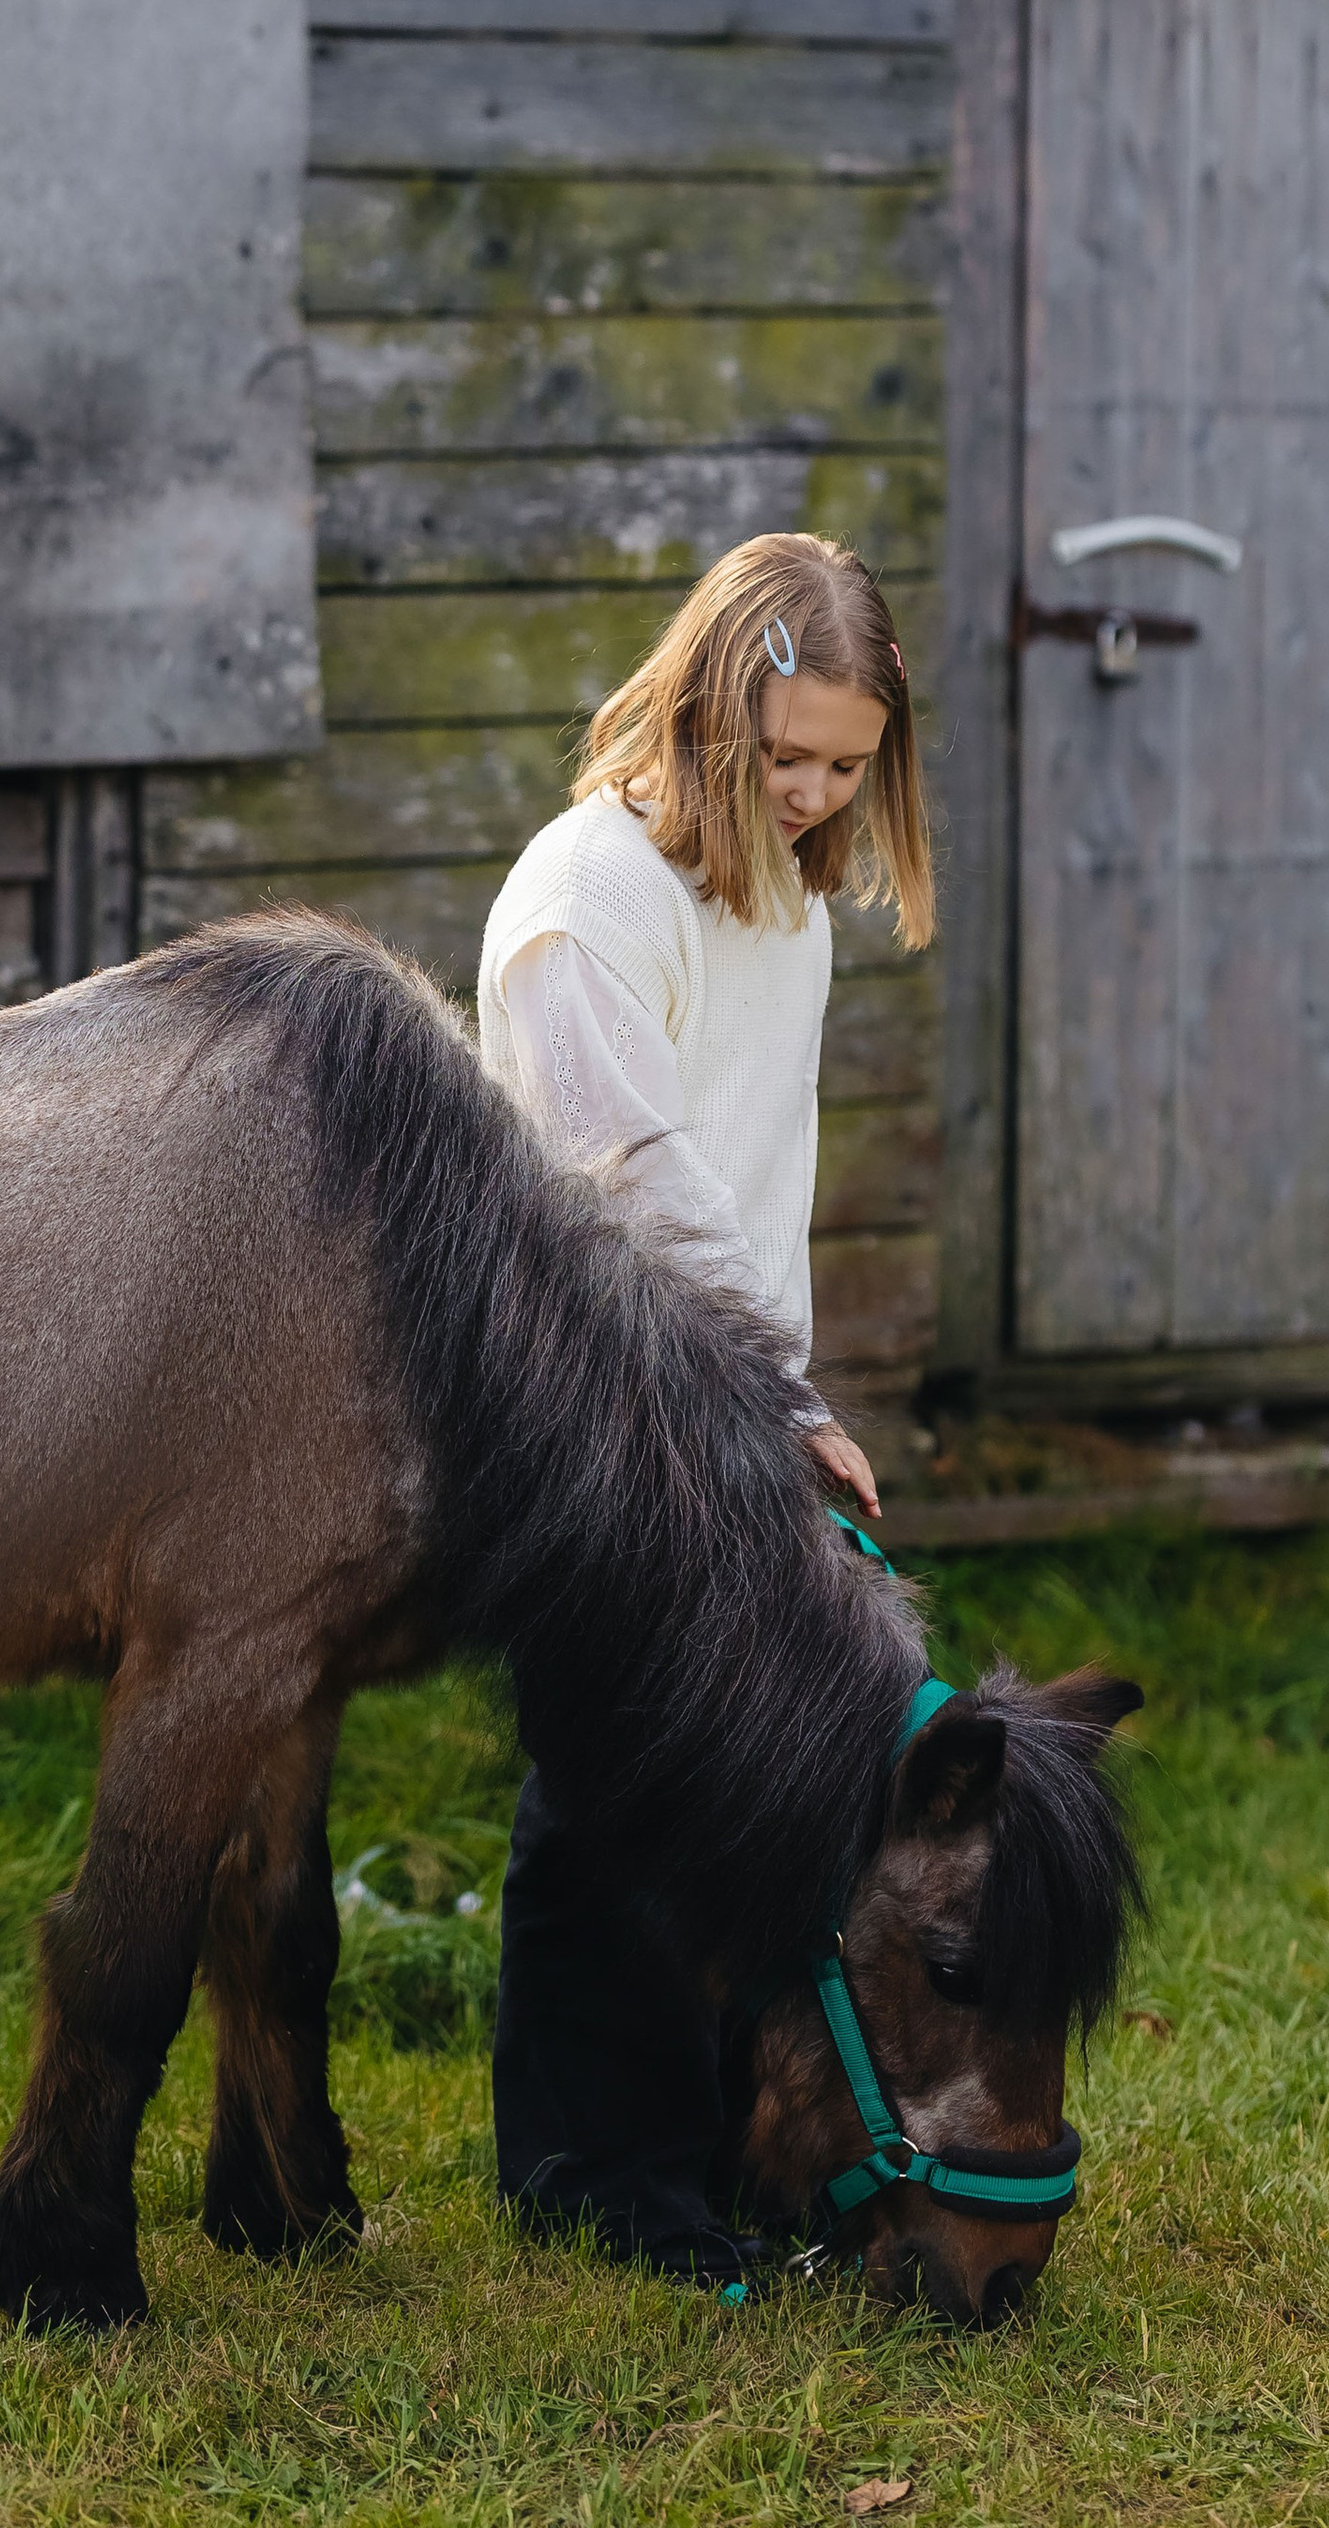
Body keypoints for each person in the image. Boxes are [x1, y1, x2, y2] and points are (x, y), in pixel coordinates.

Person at [475, 528, 935, 2290]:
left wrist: (776, 1398)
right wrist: (778, 1396)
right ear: (707, 712)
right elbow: (634, 1171)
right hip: (611, 1405)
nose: (818, 795)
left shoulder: (782, 895)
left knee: (755, 1778)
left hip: (737, 1398)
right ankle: (592, 2174)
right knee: (609, 1791)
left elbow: (755, 1164)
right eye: (790, 760)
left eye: (850, 763)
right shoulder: (584, 902)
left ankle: (733, 2154)